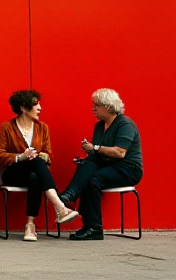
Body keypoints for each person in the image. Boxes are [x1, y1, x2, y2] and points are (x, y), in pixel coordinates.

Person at [0, 90, 79, 241]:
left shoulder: (42, 128)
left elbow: (48, 154)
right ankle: (59, 206)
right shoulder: (7, 127)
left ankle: (30, 225)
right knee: (36, 164)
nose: (40, 108)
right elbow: (0, 157)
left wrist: (38, 155)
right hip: (13, 173)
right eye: (35, 104)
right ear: (23, 108)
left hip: (35, 173)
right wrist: (21, 157)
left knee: (35, 175)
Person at [58, 88, 143, 241]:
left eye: (96, 105)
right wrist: (87, 157)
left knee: (92, 180)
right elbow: (97, 154)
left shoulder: (125, 125)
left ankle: (92, 226)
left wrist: (94, 148)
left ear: (108, 107)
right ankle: (71, 197)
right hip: (107, 165)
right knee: (88, 164)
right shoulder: (99, 126)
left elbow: (119, 152)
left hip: (128, 169)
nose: (93, 109)